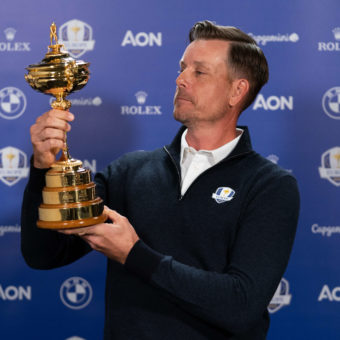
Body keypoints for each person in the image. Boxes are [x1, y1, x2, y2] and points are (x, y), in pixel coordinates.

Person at [21, 20, 300, 339]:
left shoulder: (270, 186)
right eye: (182, 68)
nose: (181, 79)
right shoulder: (128, 172)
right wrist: (43, 168)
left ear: (237, 91)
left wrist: (134, 254)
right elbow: (43, 254)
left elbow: (241, 305)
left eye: (199, 72)